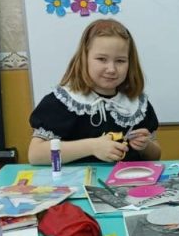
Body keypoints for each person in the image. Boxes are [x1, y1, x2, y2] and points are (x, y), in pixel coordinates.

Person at [28, 18, 161, 165]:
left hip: (127, 178)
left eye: (120, 61)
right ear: (84, 58)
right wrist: (92, 147)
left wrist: (145, 146)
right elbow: (35, 155)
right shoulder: (62, 101)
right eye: (102, 59)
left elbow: (155, 156)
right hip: (78, 179)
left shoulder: (137, 104)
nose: (111, 69)